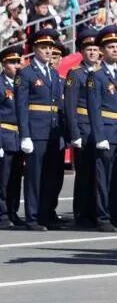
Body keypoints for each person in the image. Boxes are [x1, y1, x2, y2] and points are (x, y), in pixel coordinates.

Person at [16, 28, 66, 230]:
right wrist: (25, 135)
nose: (48, 51)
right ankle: (33, 217)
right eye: (43, 47)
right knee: (34, 177)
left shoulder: (53, 73)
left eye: (50, 48)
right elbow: (21, 106)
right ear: (34, 49)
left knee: (50, 175)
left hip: (53, 131)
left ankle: (45, 214)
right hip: (36, 131)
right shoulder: (26, 73)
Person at [86, 26, 117, 233]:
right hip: (106, 132)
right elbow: (94, 108)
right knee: (103, 178)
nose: (115, 50)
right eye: (111, 47)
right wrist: (99, 136)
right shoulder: (97, 75)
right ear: (102, 51)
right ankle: (102, 216)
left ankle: (116, 214)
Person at [64, 30, 101, 228]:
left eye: (96, 49)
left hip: (100, 128)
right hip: (84, 126)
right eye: (89, 49)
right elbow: (70, 106)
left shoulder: (102, 72)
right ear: (81, 51)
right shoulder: (76, 74)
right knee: (85, 174)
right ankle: (82, 214)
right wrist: (75, 133)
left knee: (99, 174)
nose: (93, 53)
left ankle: (97, 211)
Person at [0, 45, 22, 228]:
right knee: (3, 179)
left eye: (18, 62)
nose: (16, 65)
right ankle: (3, 214)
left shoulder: (20, 84)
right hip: (4, 135)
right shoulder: (1, 84)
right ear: (3, 64)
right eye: (12, 62)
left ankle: (13, 211)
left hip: (18, 136)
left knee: (15, 178)